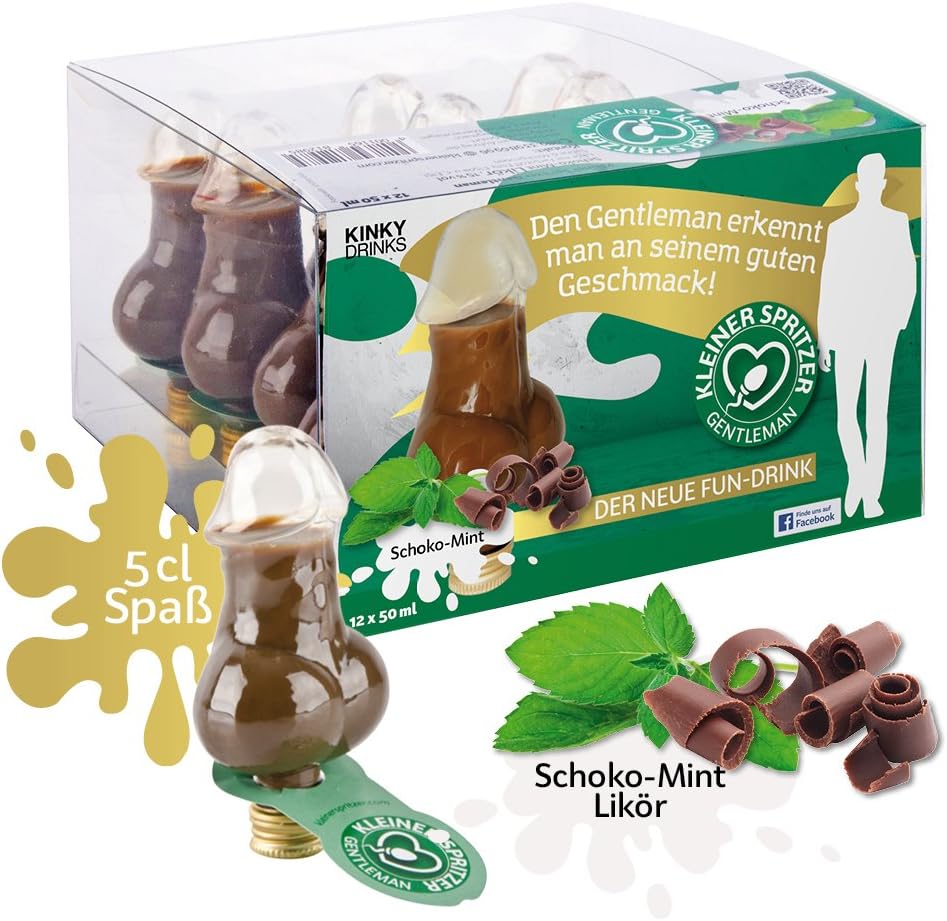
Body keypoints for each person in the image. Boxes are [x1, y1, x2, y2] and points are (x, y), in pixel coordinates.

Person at [817, 152, 917, 519]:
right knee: (849, 414)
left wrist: (897, 322)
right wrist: (824, 338)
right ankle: (859, 481)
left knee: (874, 415)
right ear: (862, 184)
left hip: (878, 330)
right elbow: (828, 284)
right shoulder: (839, 229)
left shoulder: (896, 222)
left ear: (875, 184)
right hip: (848, 330)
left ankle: (870, 495)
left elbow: (907, 275)